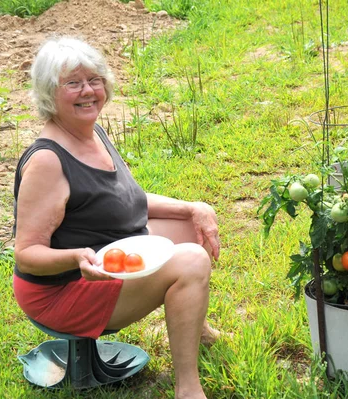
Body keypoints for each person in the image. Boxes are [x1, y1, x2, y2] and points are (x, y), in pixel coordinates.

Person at [12, 36, 220, 399]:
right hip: (61, 292)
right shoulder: (47, 161)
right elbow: (26, 253)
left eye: (94, 79)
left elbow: (128, 200)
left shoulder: (91, 132)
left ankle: (195, 327)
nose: (88, 91)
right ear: (49, 93)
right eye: (73, 83)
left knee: (189, 229)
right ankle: (188, 388)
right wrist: (77, 257)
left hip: (99, 262)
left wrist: (192, 208)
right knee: (190, 261)